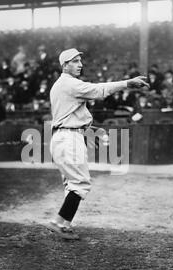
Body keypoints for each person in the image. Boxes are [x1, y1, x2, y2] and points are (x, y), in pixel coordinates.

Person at [46, 48, 148, 240]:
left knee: (72, 184)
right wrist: (127, 83)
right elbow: (99, 91)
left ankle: (65, 224)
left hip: (64, 137)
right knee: (80, 184)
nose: (80, 65)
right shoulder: (69, 84)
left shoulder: (58, 85)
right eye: (75, 61)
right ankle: (58, 222)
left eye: (79, 61)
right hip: (69, 137)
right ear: (64, 65)